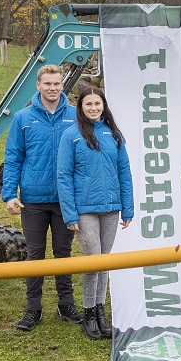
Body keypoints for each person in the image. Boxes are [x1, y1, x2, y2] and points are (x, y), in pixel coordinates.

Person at [3, 64, 82, 332]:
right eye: (47, 83)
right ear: (38, 86)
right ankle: (33, 309)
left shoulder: (75, 116)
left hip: (65, 200)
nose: (52, 88)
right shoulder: (23, 118)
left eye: (57, 83)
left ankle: (66, 303)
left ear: (63, 86)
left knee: (63, 253)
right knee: (35, 255)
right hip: (33, 200)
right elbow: (13, 158)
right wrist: (9, 194)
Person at [57, 87, 134, 341]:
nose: (93, 108)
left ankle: (101, 313)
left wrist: (128, 208)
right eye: (88, 104)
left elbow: (124, 172)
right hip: (85, 210)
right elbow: (64, 177)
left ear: (103, 106)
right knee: (93, 261)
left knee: (105, 262)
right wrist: (70, 215)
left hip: (111, 208)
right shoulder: (71, 135)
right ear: (81, 107)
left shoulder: (113, 134)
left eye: (97, 103)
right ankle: (89, 313)